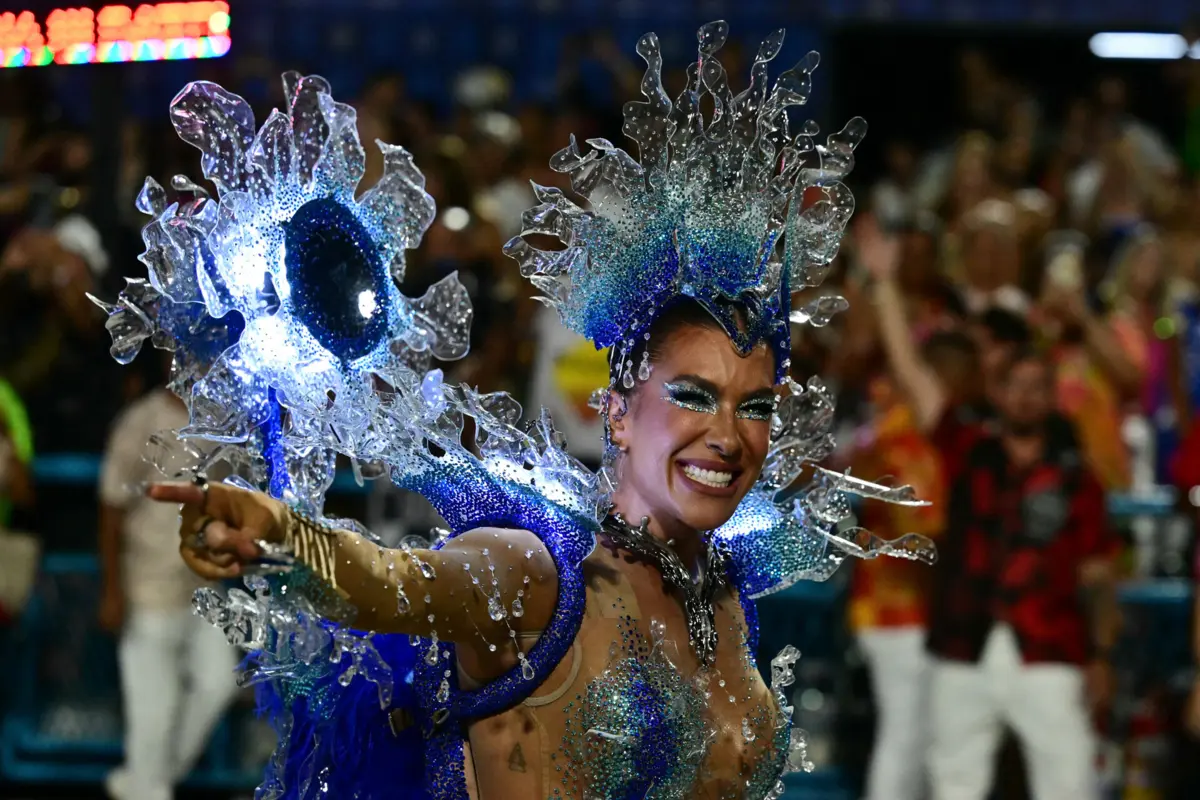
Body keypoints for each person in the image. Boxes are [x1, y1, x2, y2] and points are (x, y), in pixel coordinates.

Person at [99, 22, 932, 800]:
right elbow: (391, 584)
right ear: (614, 413)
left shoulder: (724, 590)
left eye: (753, 405)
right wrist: (281, 536)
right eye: (692, 395)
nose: (727, 434)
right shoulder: (536, 568)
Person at [924, 348, 1120, 800]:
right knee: (953, 783)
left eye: (1038, 387)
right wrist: (885, 287)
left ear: (1053, 397)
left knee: (1069, 782)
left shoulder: (1077, 479)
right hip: (963, 644)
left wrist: (1102, 654)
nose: (1026, 398)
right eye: (1016, 386)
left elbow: (1098, 573)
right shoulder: (970, 455)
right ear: (997, 393)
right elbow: (921, 386)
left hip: (1050, 645)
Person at [97, 376, 238, 800]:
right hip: (148, 587)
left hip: (202, 588)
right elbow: (111, 507)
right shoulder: (141, 420)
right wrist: (112, 590)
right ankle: (148, 784)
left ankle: (144, 781)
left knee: (219, 683)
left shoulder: (224, 422)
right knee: (153, 715)